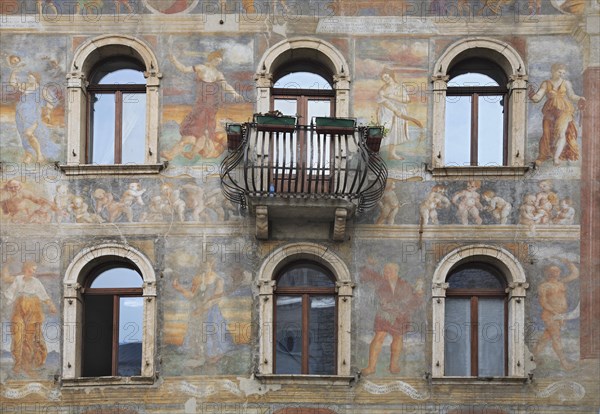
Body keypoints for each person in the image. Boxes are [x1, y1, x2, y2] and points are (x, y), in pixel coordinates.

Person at [161, 49, 243, 161]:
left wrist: (234, 93)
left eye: (220, 61)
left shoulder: (218, 74)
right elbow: (184, 69)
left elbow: (225, 85)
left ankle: (184, 153)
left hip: (210, 105)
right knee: (199, 132)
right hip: (201, 105)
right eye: (217, 60)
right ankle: (187, 153)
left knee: (202, 132)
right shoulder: (201, 68)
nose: (218, 63)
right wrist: (174, 60)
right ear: (212, 59)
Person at [361, 262, 423, 375]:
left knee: (398, 337)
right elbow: (366, 274)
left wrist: (419, 294)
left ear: (396, 272)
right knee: (379, 336)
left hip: (400, 315)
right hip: (384, 313)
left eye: (389, 270)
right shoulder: (380, 280)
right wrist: (369, 264)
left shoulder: (405, 284)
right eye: (385, 270)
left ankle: (393, 366)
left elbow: (414, 302)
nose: (386, 272)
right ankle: (371, 367)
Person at [172, 258, 234, 364]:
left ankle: (214, 357)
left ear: (212, 263)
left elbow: (215, 299)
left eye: (207, 262)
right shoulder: (198, 278)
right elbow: (192, 296)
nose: (204, 265)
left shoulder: (219, 280)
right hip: (198, 311)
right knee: (197, 333)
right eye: (203, 262)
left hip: (211, 312)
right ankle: (200, 356)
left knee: (212, 333)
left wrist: (201, 309)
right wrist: (180, 288)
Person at [3, 261, 57, 376]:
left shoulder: (36, 282)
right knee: (17, 336)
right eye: (33, 269)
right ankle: (18, 364)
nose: (35, 271)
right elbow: (8, 287)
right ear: (27, 269)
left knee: (29, 338)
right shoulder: (18, 279)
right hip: (19, 307)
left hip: (33, 308)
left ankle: (28, 365)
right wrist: (6, 264)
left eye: (35, 269)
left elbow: (44, 295)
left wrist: (51, 305)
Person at [529, 63, 586, 166]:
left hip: (564, 110)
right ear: (553, 71)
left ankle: (556, 157)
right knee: (547, 134)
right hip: (550, 111)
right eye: (559, 72)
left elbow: (572, 95)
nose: (561, 74)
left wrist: (580, 98)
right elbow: (538, 96)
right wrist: (532, 95)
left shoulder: (566, 83)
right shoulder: (546, 83)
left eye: (563, 73)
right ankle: (544, 155)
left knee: (560, 133)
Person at [8, 59, 60, 163]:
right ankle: (29, 154)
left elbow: (50, 102)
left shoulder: (42, 90)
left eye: (30, 77)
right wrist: (15, 71)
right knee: (23, 135)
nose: (28, 79)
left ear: (36, 79)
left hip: (33, 116)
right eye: (28, 77)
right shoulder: (25, 87)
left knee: (28, 133)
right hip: (20, 115)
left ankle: (39, 155)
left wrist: (48, 114)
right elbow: (13, 83)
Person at [534, 258, 579, 370]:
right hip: (550, 315)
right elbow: (543, 303)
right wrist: (555, 313)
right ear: (547, 272)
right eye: (552, 271)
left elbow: (575, 274)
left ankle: (532, 357)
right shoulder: (544, 286)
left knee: (545, 338)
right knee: (556, 338)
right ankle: (564, 363)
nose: (555, 273)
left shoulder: (561, 282)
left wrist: (568, 262)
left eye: (557, 271)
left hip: (559, 315)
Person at [376, 70, 422, 160]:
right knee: (386, 130)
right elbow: (383, 101)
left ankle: (391, 153)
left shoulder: (400, 87)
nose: (385, 79)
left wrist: (391, 97)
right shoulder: (382, 90)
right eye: (383, 78)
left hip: (400, 111)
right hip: (387, 112)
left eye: (386, 77)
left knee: (395, 132)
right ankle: (378, 152)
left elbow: (407, 99)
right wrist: (395, 110)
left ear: (391, 75)